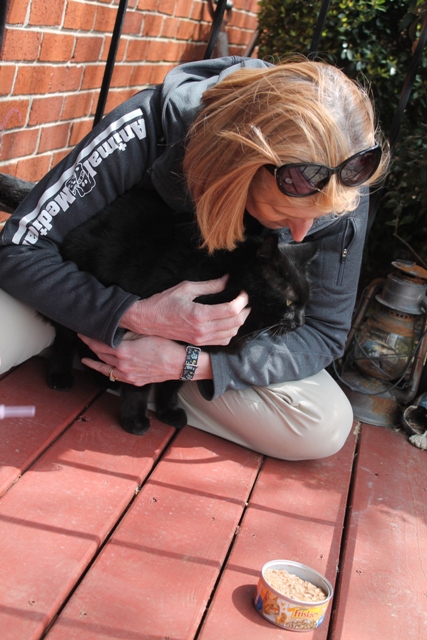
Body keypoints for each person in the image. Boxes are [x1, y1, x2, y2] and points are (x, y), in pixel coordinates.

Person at [0, 55, 389, 460]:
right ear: (240, 167)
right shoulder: (147, 125)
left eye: (317, 219)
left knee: (322, 427)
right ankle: (89, 352)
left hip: (191, 356)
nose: (299, 234)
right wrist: (131, 314)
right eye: (284, 215)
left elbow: (325, 332)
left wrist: (190, 365)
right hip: (74, 300)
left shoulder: (339, 181)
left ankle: (130, 371)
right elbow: (18, 248)